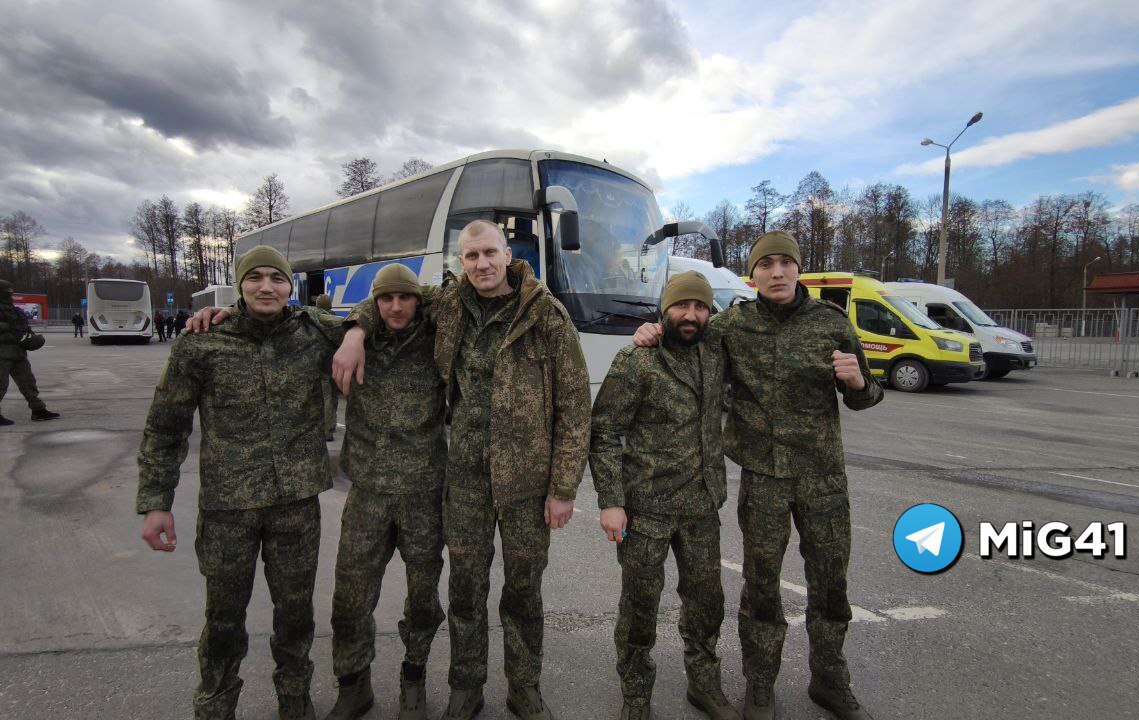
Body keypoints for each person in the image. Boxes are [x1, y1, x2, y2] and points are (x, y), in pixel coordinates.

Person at [334, 219, 590, 720]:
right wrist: (355, 332)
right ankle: (466, 686)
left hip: (527, 483)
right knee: (466, 591)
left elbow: (576, 407)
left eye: (489, 253)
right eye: (471, 256)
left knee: (523, 592)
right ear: (461, 261)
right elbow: (392, 296)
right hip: (467, 479)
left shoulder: (547, 315)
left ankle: (524, 686)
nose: (481, 264)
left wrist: (563, 488)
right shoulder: (448, 304)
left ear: (508, 254)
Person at [633, 231, 883, 720]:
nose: (777, 272)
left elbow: (867, 394)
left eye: (785, 263)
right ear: (753, 275)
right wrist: (650, 331)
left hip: (823, 478)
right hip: (763, 479)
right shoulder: (732, 326)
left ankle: (829, 681)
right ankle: (760, 685)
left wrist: (857, 383)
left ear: (798, 269)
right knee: (762, 587)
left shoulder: (831, 323)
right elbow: (685, 331)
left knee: (831, 585)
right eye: (766, 265)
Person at [136, 245, 341, 720]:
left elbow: (377, 319)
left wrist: (337, 329)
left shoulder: (313, 334)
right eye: (255, 278)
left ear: (290, 286)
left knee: (296, 614)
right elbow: (165, 427)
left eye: (277, 278)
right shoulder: (201, 342)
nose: (266, 287)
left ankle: (295, 698)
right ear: (239, 285)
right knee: (224, 617)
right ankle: (215, 703)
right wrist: (155, 502)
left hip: (295, 505)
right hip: (229, 508)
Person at [590, 272, 738, 720]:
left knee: (706, 603)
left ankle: (703, 683)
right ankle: (636, 694)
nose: (690, 315)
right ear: (664, 310)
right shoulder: (637, 361)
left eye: (700, 307)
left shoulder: (717, 353)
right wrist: (610, 501)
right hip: (646, 509)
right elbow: (604, 432)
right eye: (681, 306)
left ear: (710, 313)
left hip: (701, 506)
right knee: (639, 607)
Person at [326, 265, 448, 720]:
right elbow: (300, 317)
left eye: (406, 298)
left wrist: (359, 324)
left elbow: (448, 294)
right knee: (351, 597)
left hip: (423, 492)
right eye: (385, 299)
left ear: (418, 299)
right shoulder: (356, 339)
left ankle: (413, 678)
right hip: (369, 494)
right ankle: (353, 683)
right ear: (374, 303)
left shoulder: (437, 337)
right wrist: (356, 331)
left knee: (423, 599)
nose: (396, 307)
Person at [0, 279, 60, 426]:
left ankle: (38, 410)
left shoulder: (11, 307)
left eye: (10, 292)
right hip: (0, 352)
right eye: (6, 293)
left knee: (28, 382)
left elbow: (20, 325)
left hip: (17, 350)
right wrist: (7, 326)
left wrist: (25, 331)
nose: (9, 295)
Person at [315, 294, 340, 442]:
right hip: (335, 364)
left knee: (326, 398)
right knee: (333, 395)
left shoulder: (318, 320)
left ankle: (327, 430)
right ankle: (332, 424)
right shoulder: (336, 319)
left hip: (323, 365)